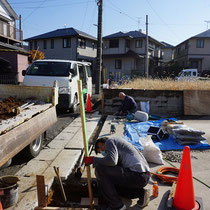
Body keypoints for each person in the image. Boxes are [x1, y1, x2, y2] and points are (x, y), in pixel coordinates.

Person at [84, 137, 151, 210]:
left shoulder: (109, 142)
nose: (103, 153)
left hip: (136, 175)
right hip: (143, 177)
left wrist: (93, 159)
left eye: (100, 151)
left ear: (100, 144)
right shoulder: (118, 144)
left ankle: (117, 206)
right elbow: (115, 165)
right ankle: (141, 193)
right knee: (112, 186)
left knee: (100, 169)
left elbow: (112, 161)